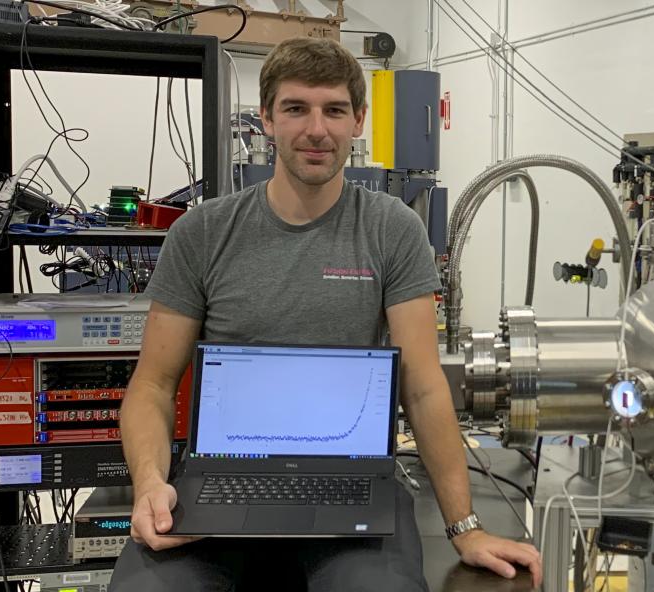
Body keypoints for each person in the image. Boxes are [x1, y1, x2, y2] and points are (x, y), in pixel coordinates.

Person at [110, 37, 542, 591]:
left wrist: (466, 528)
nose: (317, 129)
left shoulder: (392, 230)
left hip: (352, 479)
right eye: (296, 109)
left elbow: (425, 386)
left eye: (334, 110)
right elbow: (150, 385)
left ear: (358, 120)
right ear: (266, 119)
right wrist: (151, 484)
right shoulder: (202, 233)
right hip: (224, 478)